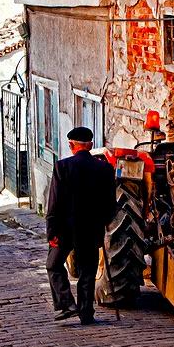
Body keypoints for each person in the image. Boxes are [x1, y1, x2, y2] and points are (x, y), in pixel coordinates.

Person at [45, 126, 116, 325]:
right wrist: (101, 223)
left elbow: (54, 202)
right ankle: (86, 312)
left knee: (53, 265)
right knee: (87, 271)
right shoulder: (105, 169)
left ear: (71, 145)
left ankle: (66, 304)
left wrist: (52, 231)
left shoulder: (62, 167)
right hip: (91, 229)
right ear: (91, 145)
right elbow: (111, 205)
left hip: (65, 229)